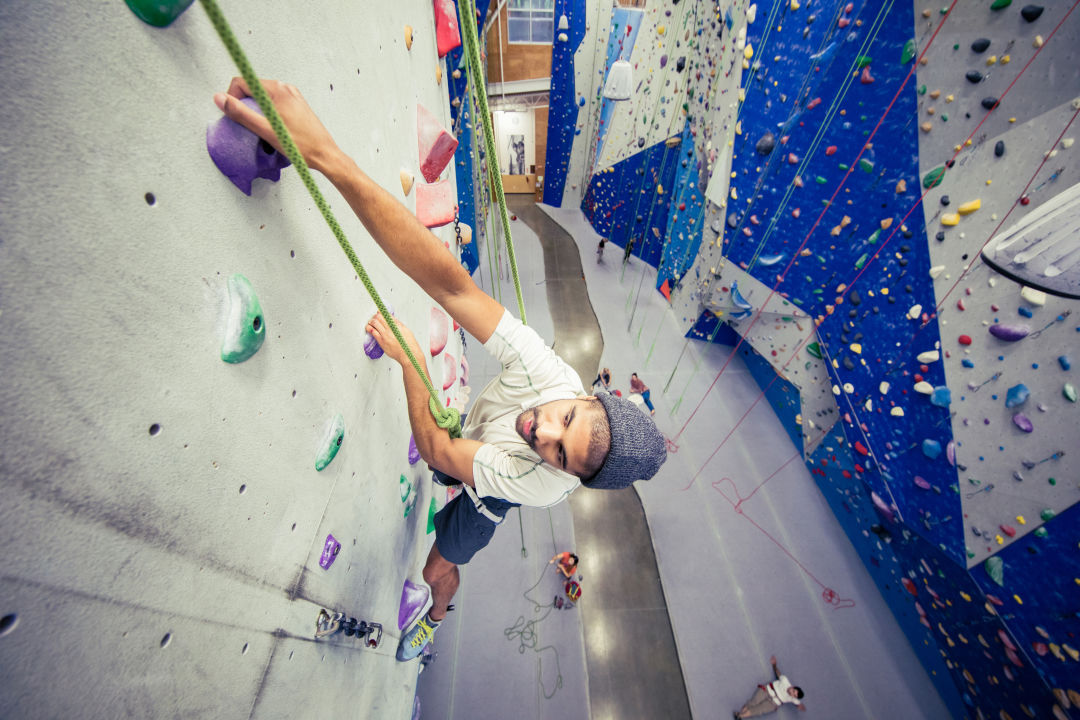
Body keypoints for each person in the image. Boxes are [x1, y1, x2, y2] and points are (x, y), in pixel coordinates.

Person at [212, 78, 668, 663]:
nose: (543, 433)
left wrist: (408, 357)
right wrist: (326, 157)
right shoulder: (549, 373)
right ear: (580, 394)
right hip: (478, 439)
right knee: (464, 455)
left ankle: (435, 617)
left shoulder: (537, 482)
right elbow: (451, 286)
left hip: (488, 494)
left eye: (561, 454)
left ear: (567, 477)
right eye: (566, 419)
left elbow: (434, 450)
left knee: (436, 565)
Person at [734, 655, 806, 718]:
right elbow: (778, 673)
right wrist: (774, 665)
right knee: (753, 702)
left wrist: (800, 706)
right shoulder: (785, 681)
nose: (792, 694)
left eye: (794, 695)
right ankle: (740, 713)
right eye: (793, 691)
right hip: (767, 690)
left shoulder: (793, 699)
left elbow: (798, 704)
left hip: (773, 703)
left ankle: (740, 716)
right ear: (792, 687)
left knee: (758, 710)